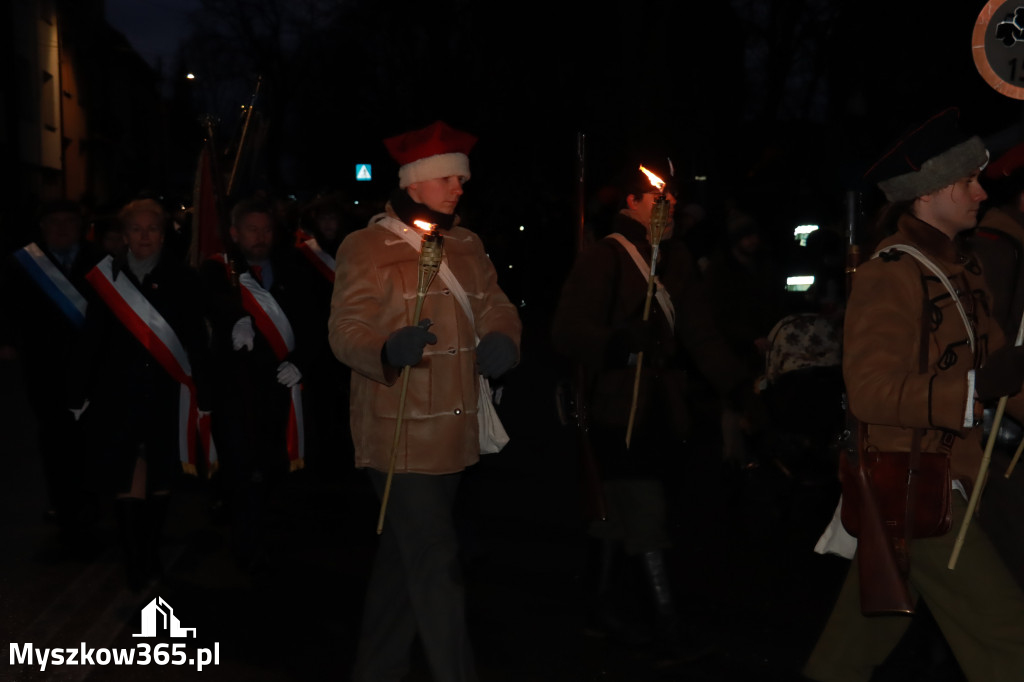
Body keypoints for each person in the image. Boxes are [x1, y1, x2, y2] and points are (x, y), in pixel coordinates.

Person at [803, 107, 1024, 682]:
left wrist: (1007, 377)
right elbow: (870, 392)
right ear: (927, 193)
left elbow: (1007, 374)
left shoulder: (966, 270)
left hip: (952, 478)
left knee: (856, 641)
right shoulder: (889, 275)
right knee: (1009, 641)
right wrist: (974, 388)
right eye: (967, 181)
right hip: (914, 485)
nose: (981, 191)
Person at [329, 120, 521, 682]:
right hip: (399, 435)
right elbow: (345, 330)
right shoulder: (364, 246)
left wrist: (505, 338)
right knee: (437, 564)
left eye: (461, 178)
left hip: (456, 433)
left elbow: (494, 305)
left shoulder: (466, 243)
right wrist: (386, 347)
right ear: (413, 184)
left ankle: (377, 668)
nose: (459, 187)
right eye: (447, 178)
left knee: (404, 564)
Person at [551, 156, 748, 662]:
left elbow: (698, 330)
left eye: (673, 198)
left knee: (614, 517)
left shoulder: (675, 257)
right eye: (659, 198)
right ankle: (667, 622)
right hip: (616, 408)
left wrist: (735, 383)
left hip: (662, 407)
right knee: (643, 508)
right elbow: (568, 332)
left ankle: (597, 608)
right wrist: (619, 342)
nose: (672, 204)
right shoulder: (604, 257)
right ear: (634, 202)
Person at [68, 198, 210, 590]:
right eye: (136, 229)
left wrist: (206, 390)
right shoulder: (105, 278)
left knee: (161, 474)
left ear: (163, 235)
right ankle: (136, 563)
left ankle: (150, 556)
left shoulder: (184, 278)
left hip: (167, 392)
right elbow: (91, 340)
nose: (144, 236)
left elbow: (195, 339)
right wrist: (77, 393)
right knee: (126, 472)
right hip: (117, 395)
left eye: (152, 229)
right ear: (123, 235)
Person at [199, 196, 310, 572]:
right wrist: (236, 317)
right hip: (237, 391)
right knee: (241, 469)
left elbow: (315, 322)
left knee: (279, 469)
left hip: (283, 388)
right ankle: (246, 546)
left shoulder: (293, 267)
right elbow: (209, 298)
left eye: (266, 229)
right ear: (234, 233)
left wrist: (301, 362)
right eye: (251, 229)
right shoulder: (219, 270)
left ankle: (278, 544)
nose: (260, 237)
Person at [0, 199, 104, 557]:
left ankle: (90, 506)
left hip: (92, 368)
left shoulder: (100, 261)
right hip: (44, 368)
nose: (61, 228)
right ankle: (65, 509)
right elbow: (6, 306)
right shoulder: (23, 263)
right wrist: (8, 341)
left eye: (69, 221)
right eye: (54, 222)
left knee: (91, 439)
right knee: (55, 440)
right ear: (42, 227)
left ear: (81, 226)